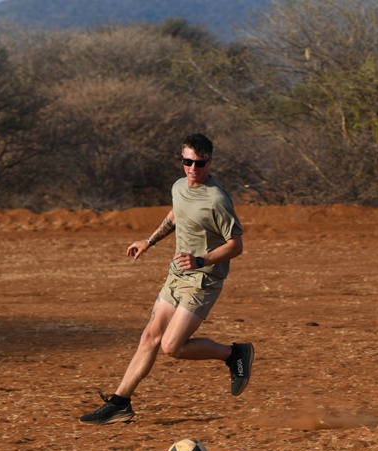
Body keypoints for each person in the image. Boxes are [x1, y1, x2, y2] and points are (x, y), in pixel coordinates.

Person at [80, 133, 254, 424]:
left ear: (210, 162)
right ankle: (120, 403)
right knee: (149, 337)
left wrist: (201, 260)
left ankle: (234, 354)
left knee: (172, 347)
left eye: (199, 163)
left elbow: (236, 245)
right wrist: (149, 241)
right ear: (182, 160)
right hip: (176, 276)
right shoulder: (178, 187)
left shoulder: (217, 199)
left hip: (203, 281)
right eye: (187, 162)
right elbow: (176, 215)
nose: (193, 168)